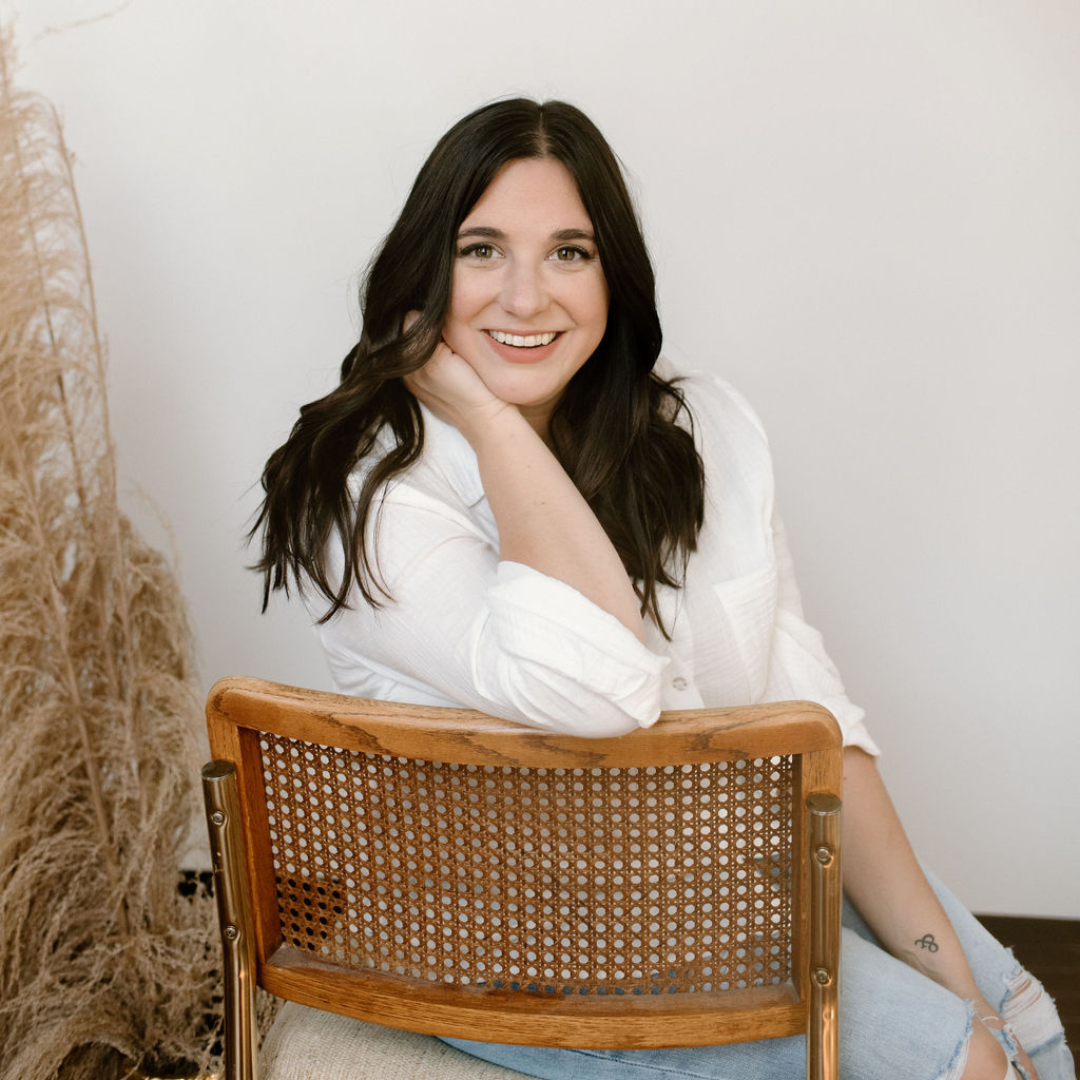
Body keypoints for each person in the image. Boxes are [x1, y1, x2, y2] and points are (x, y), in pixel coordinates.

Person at [252, 99, 1073, 1080]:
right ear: (425, 276)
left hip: (710, 868)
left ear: (614, 274)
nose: (525, 298)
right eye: (482, 251)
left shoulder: (705, 429)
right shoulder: (372, 492)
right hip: (502, 931)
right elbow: (602, 692)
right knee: (960, 1063)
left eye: (568, 252)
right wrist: (489, 420)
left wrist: (959, 983)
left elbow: (811, 719)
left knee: (1019, 1023)